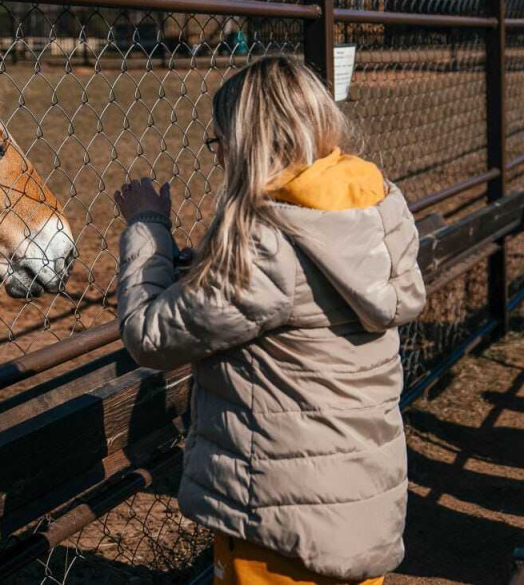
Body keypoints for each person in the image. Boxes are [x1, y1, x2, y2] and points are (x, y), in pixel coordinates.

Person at [114, 55, 426, 584]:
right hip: (355, 501)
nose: (217, 159)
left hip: (278, 520)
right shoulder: (371, 208)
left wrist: (148, 229)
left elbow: (149, 335)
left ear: (244, 142)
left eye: (217, 143)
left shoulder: (267, 244)